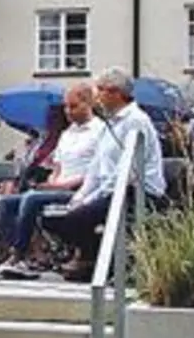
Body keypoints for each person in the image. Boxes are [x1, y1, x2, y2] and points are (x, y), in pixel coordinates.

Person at [44, 68, 168, 280]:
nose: (97, 97)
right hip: (113, 190)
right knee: (58, 218)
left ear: (115, 92)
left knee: (76, 219)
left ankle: (93, 261)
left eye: (99, 90)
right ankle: (91, 259)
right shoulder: (110, 123)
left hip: (138, 192)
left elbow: (127, 171)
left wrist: (92, 198)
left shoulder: (135, 121)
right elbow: (96, 166)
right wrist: (81, 196)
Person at [0, 83, 99, 278]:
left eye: (73, 106)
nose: (68, 111)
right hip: (59, 187)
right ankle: (33, 256)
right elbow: (58, 166)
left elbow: (97, 172)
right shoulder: (67, 134)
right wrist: (52, 180)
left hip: (81, 190)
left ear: (88, 103)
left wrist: (61, 185)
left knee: (31, 199)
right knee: (3, 204)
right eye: (66, 106)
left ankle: (19, 257)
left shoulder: (99, 131)